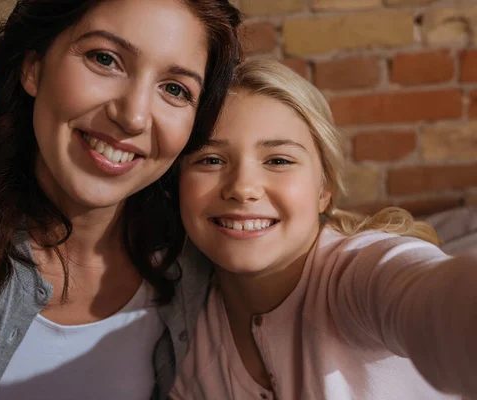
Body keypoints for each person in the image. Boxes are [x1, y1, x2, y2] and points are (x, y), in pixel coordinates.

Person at [0, 1, 242, 399]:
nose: (133, 116)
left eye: (175, 89)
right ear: (34, 68)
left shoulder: (194, 258)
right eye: (105, 59)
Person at [171, 58, 477, 399]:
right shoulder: (182, 327)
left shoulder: (359, 274)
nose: (243, 188)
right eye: (210, 160)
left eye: (278, 161)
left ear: (324, 189)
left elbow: (429, 297)